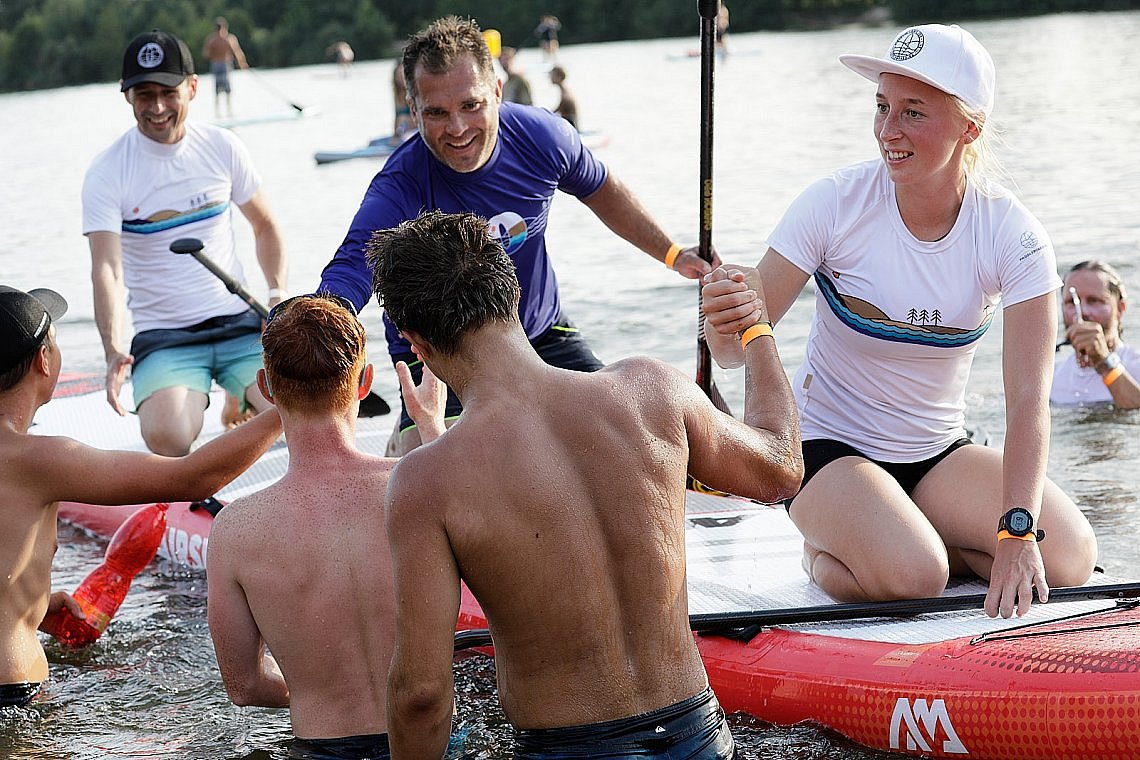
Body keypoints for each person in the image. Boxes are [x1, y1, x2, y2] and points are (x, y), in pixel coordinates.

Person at [700, 24, 1097, 619]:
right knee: (916, 575)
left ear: (971, 127)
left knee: (1071, 557)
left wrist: (1016, 531)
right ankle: (826, 552)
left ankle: (915, 537)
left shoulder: (1013, 236)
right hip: (824, 450)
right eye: (882, 107)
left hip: (937, 453)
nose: (889, 132)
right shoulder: (833, 204)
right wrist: (723, 322)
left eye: (913, 112)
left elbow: (1027, 402)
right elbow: (732, 356)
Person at [369, 211, 802, 757]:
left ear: (416, 344)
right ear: (515, 295)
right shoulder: (654, 392)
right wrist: (756, 327)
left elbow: (423, 695)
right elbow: (781, 467)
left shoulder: (426, 480)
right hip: (700, 736)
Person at [319, 16, 717, 456]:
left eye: (471, 105)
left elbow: (604, 192)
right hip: (437, 359)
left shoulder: (542, 138)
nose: (457, 129)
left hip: (539, 336)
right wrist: (320, 322)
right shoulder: (400, 184)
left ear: (496, 92)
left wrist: (673, 253)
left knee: (628, 438)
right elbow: (354, 264)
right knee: (474, 478)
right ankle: (406, 448)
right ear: (413, 112)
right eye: (436, 113)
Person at [0, 284, 282, 707]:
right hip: (13, 692)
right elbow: (193, 478)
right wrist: (293, 405)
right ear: (44, 360)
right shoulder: (38, 459)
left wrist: (30, 605)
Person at [206, 295, 445, 759]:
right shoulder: (419, 484)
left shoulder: (235, 529)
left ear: (266, 389)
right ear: (364, 383)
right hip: (436, 742)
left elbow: (244, 686)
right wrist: (433, 433)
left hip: (322, 747)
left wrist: (319, 688)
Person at [83, 30, 287, 458]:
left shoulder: (222, 146)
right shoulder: (107, 172)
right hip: (166, 337)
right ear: (127, 97)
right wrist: (114, 349)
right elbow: (106, 268)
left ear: (192, 88)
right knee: (169, 438)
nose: (156, 107)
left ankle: (240, 396)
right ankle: (226, 404)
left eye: (168, 92)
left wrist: (278, 297)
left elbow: (266, 225)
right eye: (144, 94)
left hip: (241, 323)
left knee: (296, 415)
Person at [1052, 260, 1140, 408]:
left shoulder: (1136, 366)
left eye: (1094, 301)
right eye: (1071, 303)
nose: (1083, 312)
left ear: (1120, 308)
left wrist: (1103, 361)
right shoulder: (1052, 378)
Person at [202, 17, 249, 117]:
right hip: (224, 64)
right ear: (225, 27)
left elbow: (206, 54)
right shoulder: (229, 38)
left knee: (217, 89)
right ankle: (228, 111)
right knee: (226, 89)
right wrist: (242, 63)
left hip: (215, 64)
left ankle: (218, 113)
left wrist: (215, 54)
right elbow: (237, 52)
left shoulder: (211, 40)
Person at [390, 61, 414, 142]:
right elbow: (397, 117)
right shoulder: (398, 94)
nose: (401, 78)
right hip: (403, 131)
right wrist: (395, 135)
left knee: (402, 118)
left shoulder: (414, 93)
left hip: (414, 130)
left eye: (402, 74)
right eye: (398, 75)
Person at [549, 64, 577, 129]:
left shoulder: (565, 96)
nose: (550, 77)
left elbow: (555, 112)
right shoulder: (565, 92)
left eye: (552, 75)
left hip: (572, 128)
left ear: (559, 77)